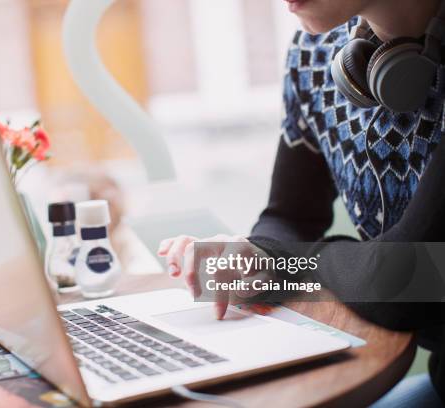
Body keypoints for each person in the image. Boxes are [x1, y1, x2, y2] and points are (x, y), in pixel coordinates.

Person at [158, 0, 445, 405]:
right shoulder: (317, 52)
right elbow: (288, 216)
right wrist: (253, 255)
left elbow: (405, 282)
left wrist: (283, 262)